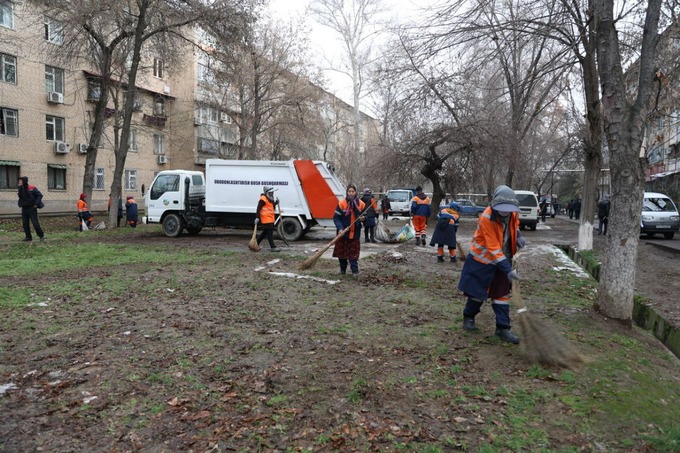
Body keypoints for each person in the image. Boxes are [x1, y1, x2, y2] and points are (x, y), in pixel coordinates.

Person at [458, 185, 525, 344]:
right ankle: (468, 317)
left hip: (503, 261)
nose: (505, 212)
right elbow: (493, 248)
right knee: (477, 293)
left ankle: (503, 329)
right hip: (482, 261)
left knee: (501, 295)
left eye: (508, 210)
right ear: (494, 205)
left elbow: (515, 226)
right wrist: (508, 270)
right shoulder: (487, 218)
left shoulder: (513, 213)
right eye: (502, 209)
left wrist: (519, 237)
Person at [333, 184, 366, 277]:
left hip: (355, 233)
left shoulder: (361, 204)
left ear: (355, 192)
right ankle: (342, 270)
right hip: (342, 233)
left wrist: (363, 218)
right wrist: (340, 228)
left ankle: (354, 271)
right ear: (347, 192)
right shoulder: (341, 203)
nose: (351, 193)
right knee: (342, 253)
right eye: (349, 191)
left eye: (353, 191)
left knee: (353, 254)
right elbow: (336, 218)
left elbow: (366, 216)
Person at [17, 176, 45, 242]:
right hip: (24, 208)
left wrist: (36, 204)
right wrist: (20, 203)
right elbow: (21, 197)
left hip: (32, 208)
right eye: (19, 181)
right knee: (25, 223)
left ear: (24, 181)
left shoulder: (31, 188)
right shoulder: (20, 188)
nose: (19, 182)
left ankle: (41, 236)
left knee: (35, 223)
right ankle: (28, 237)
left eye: (20, 181)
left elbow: (40, 195)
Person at [254, 186, 280, 252]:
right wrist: (257, 217)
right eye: (271, 192)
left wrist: (276, 203)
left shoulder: (269, 199)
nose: (272, 193)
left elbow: (271, 206)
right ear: (267, 192)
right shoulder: (263, 199)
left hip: (270, 218)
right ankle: (273, 247)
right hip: (266, 219)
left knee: (265, 233)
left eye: (273, 192)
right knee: (270, 233)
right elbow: (258, 208)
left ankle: (256, 243)